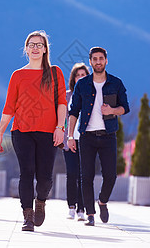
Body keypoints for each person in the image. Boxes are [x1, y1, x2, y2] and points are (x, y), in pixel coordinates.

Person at [0, 30, 66, 232]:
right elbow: (9, 107)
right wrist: (1, 132)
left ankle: (41, 201)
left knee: (44, 177)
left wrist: (60, 128)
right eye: (31, 44)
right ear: (26, 49)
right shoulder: (18, 75)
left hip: (48, 132)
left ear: (45, 50)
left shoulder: (55, 73)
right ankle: (27, 216)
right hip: (22, 131)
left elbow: (61, 103)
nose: (35, 48)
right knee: (26, 173)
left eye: (39, 45)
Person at [67, 46, 129, 226]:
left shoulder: (116, 83)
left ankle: (102, 201)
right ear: (90, 61)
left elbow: (125, 107)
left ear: (106, 61)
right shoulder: (82, 84)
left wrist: (112, 110)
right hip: (87, 136)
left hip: (108, 135)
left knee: (110, 176)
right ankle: (90, 214)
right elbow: (74, 112)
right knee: (86, 177)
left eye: (101, 58)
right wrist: (70, 136)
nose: (98, 61)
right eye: (94, 59)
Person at [63, 63, 89, 221]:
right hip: (69, 139)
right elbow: (62, 117)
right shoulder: (67, 96)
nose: (80, 78)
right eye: (78, 75)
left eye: (83, 75)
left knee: (84, 175)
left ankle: (82, 209)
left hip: (86, 140)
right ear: (73, 78)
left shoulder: (92, 95)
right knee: (71, 174)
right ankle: (71, 206)